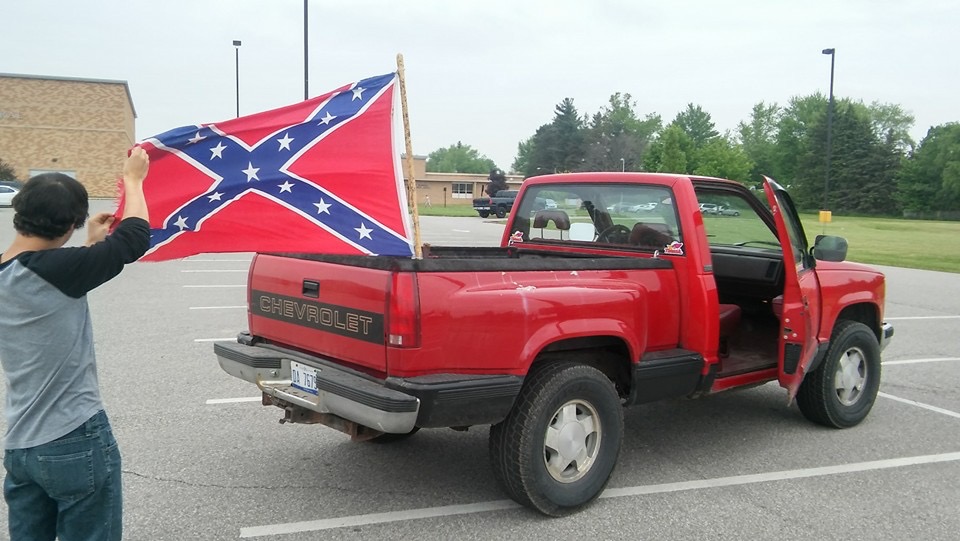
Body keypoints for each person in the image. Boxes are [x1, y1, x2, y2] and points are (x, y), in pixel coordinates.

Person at [0, 147, 151, 540]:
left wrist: (88, 246)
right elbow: (133, 240)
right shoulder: (60, 271)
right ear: (70, 225)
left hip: (21, 448)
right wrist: (133, 180)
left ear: (19, 216)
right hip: (73, 437)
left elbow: (45, 277)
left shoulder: (14, 271)